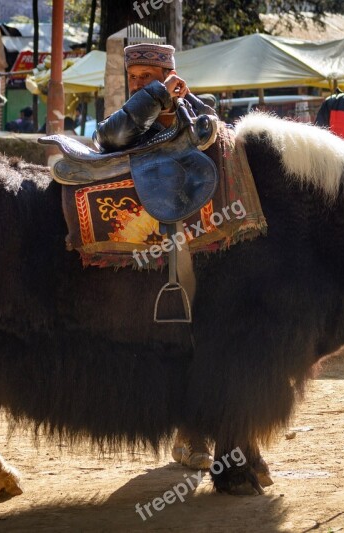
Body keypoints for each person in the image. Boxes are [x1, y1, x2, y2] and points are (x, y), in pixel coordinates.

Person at [93, 43, 215, 471]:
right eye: (135, 79)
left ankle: (196, 431)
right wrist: (155, 96)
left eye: (149, 77)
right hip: (138, 246)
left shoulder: (203, 111)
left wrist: (171, 100)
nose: (138, 85)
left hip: (201, 238)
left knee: (201, 330)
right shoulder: (133, 116)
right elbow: (109, 139)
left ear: (169, 72)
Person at [93, 43, 215, 153]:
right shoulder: (123, 120)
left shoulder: (194, 114)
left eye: (146, 75)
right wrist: (159, 93)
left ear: (171, 76)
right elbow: (109, 137)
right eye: (132, 77)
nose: (136, 85)